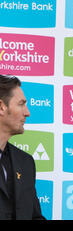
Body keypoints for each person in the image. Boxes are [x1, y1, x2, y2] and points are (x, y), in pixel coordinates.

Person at [0, 75, 45, 220]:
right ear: (1, 107)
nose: (27, 112)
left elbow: (35, 216)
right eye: (21, 104)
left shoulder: (25, 162)